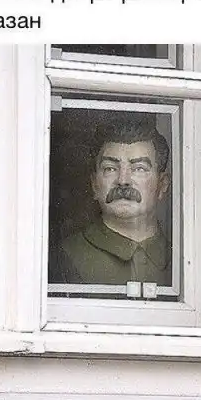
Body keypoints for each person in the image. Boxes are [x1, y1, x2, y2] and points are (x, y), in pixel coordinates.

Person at [52, 118, 171, 287]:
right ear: (94, 184)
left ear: (162, 184)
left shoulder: (182, 260)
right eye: (110, 168)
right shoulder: (64, 257)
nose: (123, 181)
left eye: (139, 169)